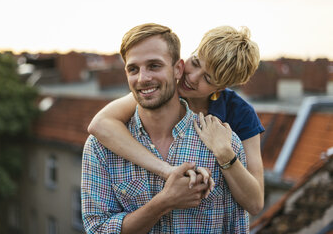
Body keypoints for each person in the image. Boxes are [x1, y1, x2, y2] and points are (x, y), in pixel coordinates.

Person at [81, 23, 249, 233]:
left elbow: (242, 220)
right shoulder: (100, 146)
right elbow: (97, 230)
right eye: (133, 69)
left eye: (154, 66)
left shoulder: (225, 143)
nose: (143, 78)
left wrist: (226, 154)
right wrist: (165, 201)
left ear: (177, 68)